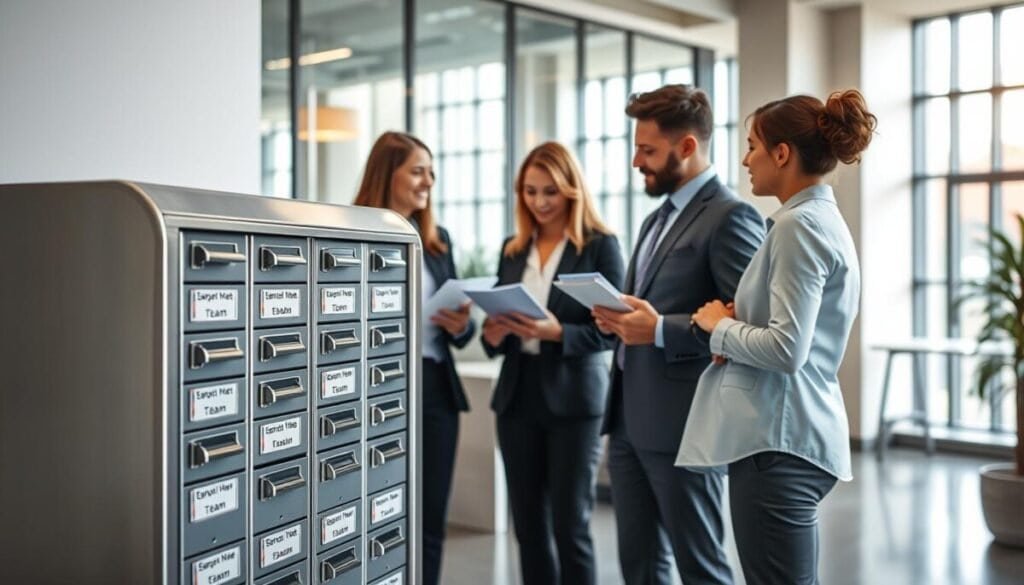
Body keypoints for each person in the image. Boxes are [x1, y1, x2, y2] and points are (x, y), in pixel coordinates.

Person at [679, 90, 876, 585]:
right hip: (786, 439)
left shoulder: (799, 226)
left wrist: (717, 327)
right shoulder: (816, 220)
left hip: (779, 446)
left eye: (752, 146)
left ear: (782, 153)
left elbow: (787, 350)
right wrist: (737, 318)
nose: (745, 159)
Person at [592, 84, 765, 585]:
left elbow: (745, 326)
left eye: (647, 150)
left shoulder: (732, 217)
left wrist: (659, 330)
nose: (636, 161)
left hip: (686, 428)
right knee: (639, 567)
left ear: (686, 146)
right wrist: (618, 319)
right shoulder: (654, 220)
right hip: (627, 421)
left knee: (701, 569)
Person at [480, 141, 625, 585]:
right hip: (517, 398)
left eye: (550, 191)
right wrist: (494, 332)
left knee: (570, 525)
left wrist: (557, 332)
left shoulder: (600, 246)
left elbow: (612, 328)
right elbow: (495, 331)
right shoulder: (512, 248)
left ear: (571, 191)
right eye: (530, 191)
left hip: (573, 403)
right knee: (528, 528)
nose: (540, 202)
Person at [353, 131, 475, 585]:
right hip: (376, 390)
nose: (429, 181)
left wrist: (463, 325)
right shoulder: (352, 232)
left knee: (429, 515)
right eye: (418, 171)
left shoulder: (437, 240)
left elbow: (461, 330)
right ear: (389, 173)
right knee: (376, 510)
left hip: (435, 389)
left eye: (432, 172)